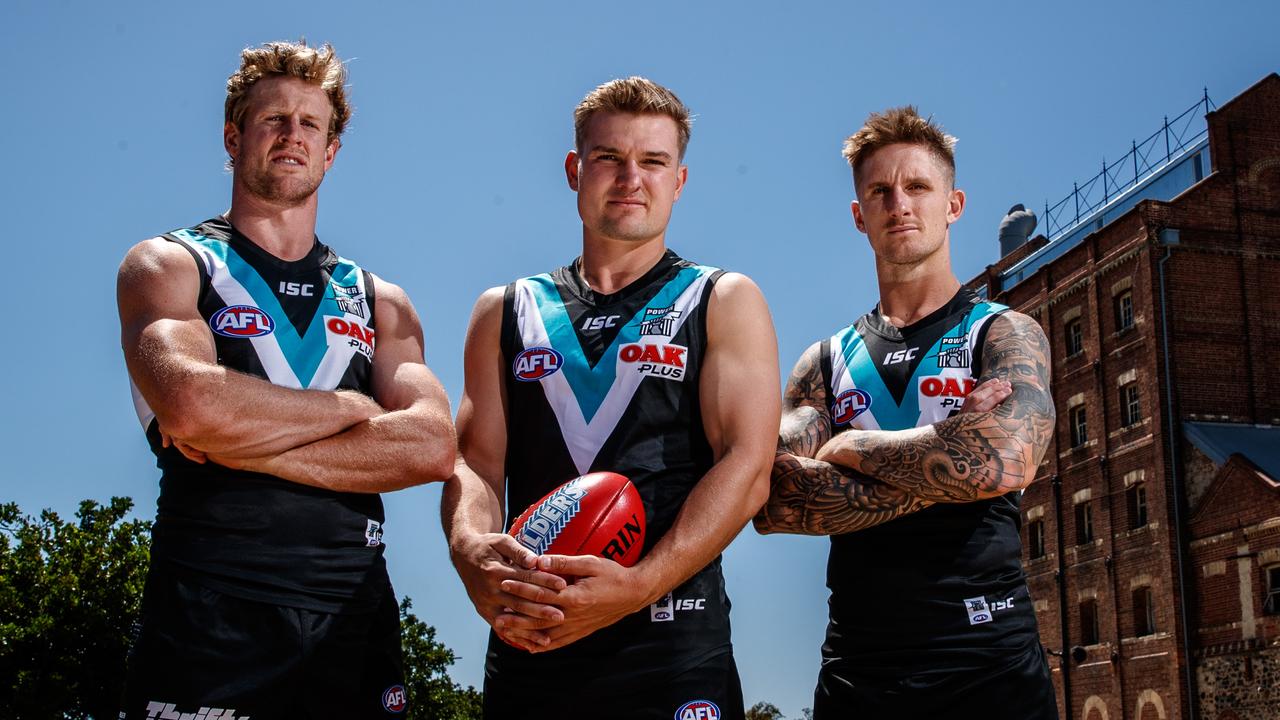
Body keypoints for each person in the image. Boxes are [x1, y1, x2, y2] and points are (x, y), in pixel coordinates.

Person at [116, 40, 455, 719]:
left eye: (310, 124)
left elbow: (430, 446)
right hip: (209, 612)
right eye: (273, 119)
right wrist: (352, 407)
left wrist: (247, 437)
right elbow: (191, 404)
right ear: (233, 136)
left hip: (353, 616)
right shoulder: (172, 264)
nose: (292, 135)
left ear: (331, 151)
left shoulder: (378, 298)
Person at [442, 77, 779, 720]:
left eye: (652, 160)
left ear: (679, 180)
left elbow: (748, 468)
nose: (631, 177)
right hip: (532, 639)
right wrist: (469, 550)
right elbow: (476, 464)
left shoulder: (721, 298)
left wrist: (638, 587)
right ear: (575, 169)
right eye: (608, 158)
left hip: (674, 646)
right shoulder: (506, 310)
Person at [755, 106, 1059, 719]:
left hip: (989, 661)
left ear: (954, 204)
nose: (900, 203)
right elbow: (776, 497)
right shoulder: (825, 362)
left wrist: (850, 449)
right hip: (860, 669)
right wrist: (949, 452)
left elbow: (1007, 456)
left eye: (918, 186)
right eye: (880, 191)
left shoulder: (1003, 333)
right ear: (858, 214)